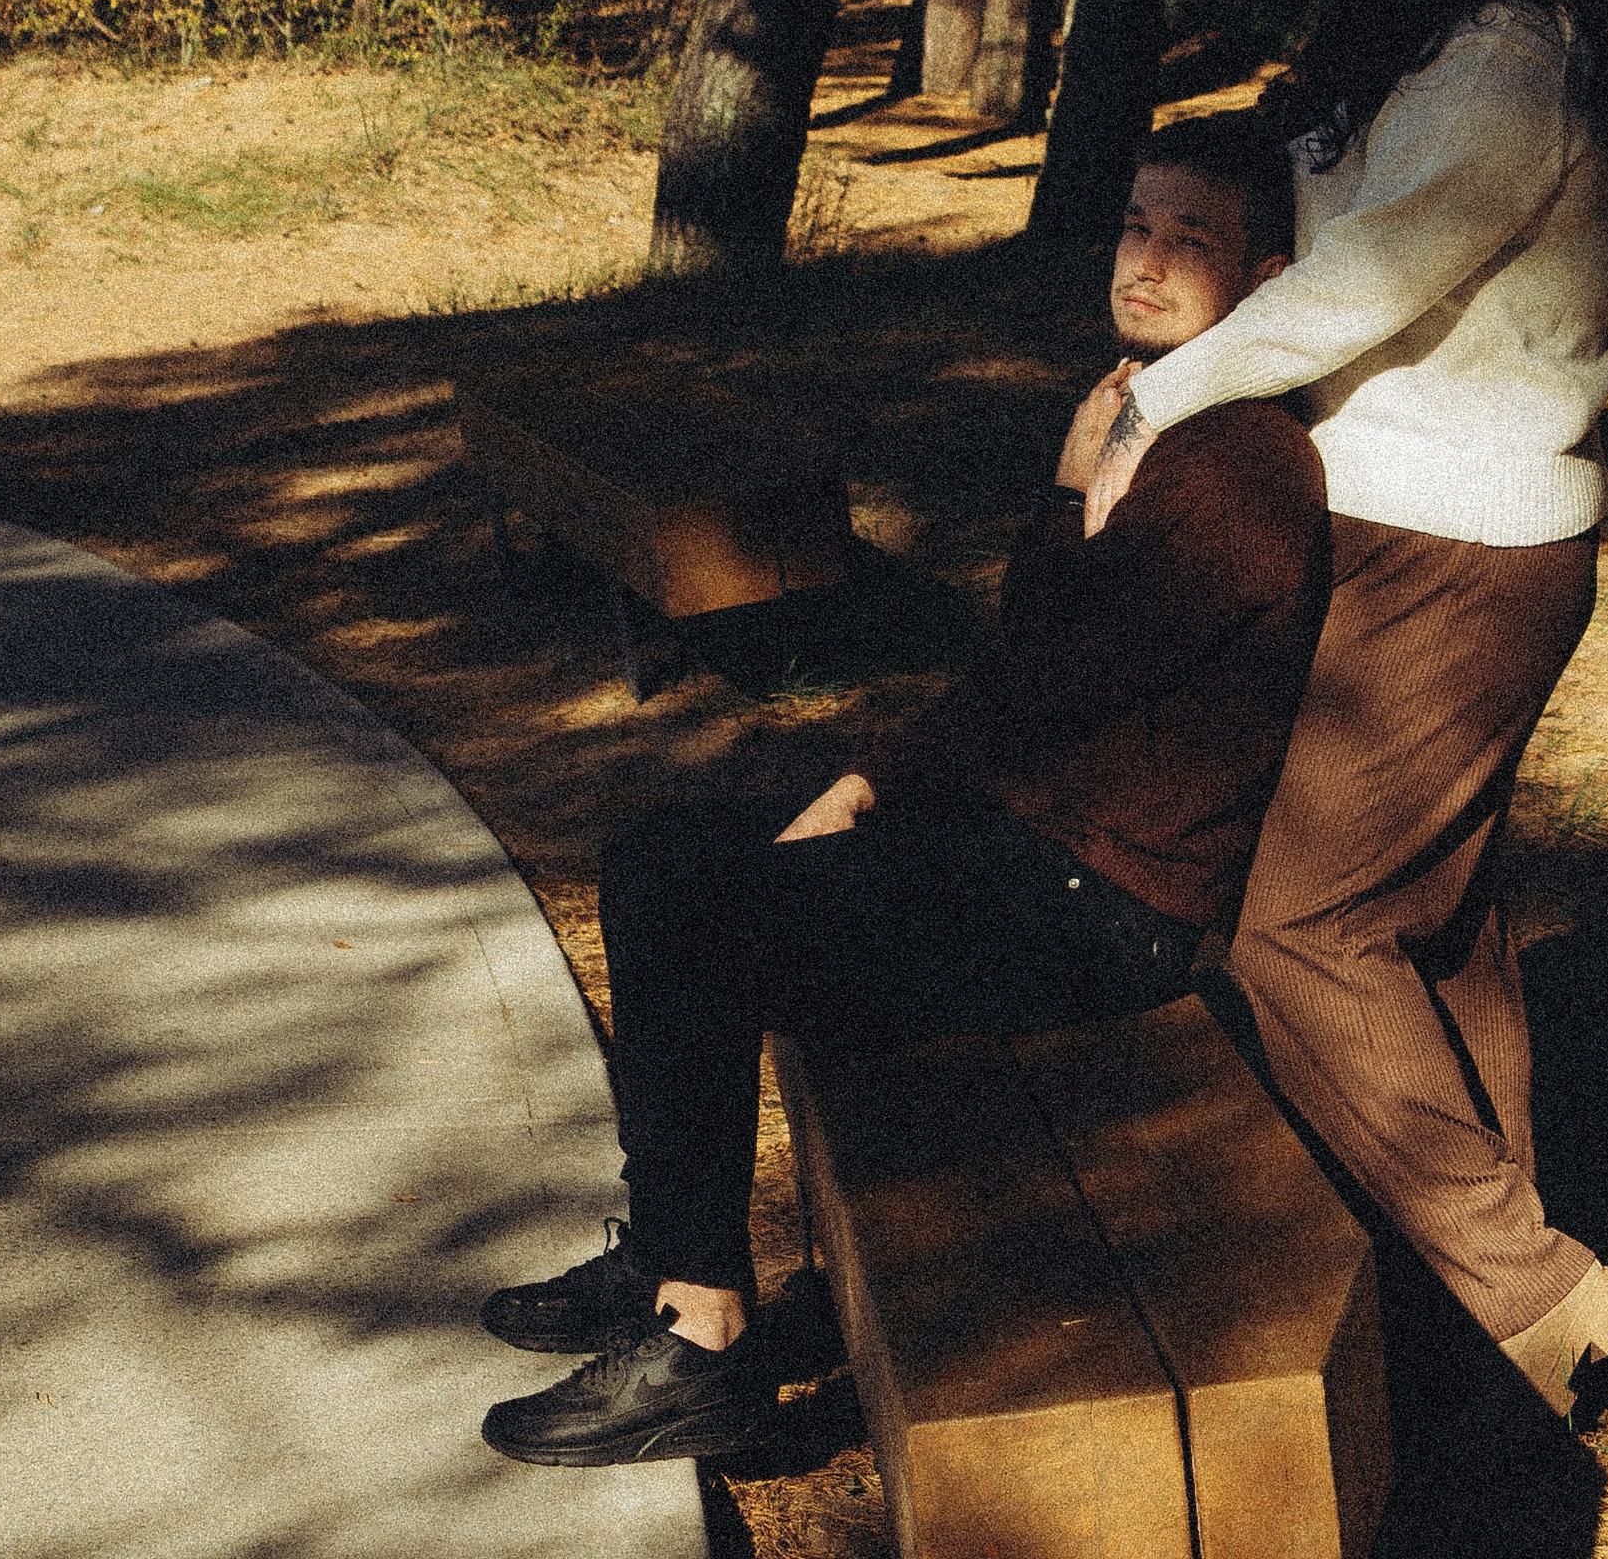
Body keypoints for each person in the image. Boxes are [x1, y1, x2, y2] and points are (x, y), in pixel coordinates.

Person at [477, 111, 1328, 1472]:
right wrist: (870, 780)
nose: (1149, 264)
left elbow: (1053, 672)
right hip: (1023, 842)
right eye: (1135, 227)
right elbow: (1024, 681)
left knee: (694, 907)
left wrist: (1061, 502)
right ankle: (668, 1260)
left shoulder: (1236, 469)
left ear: (1272, 283)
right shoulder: (1160, 416)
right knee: (661, 856)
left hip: (1098, 904)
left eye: (1193, 242)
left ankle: (698, 1339)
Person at [1085, 0, 1608, 1421]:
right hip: (1410, 521)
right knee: (1429, 923)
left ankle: (1541, 1304)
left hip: (1464, 541)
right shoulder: (1420, 57)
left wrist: (1150, 407)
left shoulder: (1503, 68)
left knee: (1295, 920)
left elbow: (1362, 286)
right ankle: (1482, 1286)